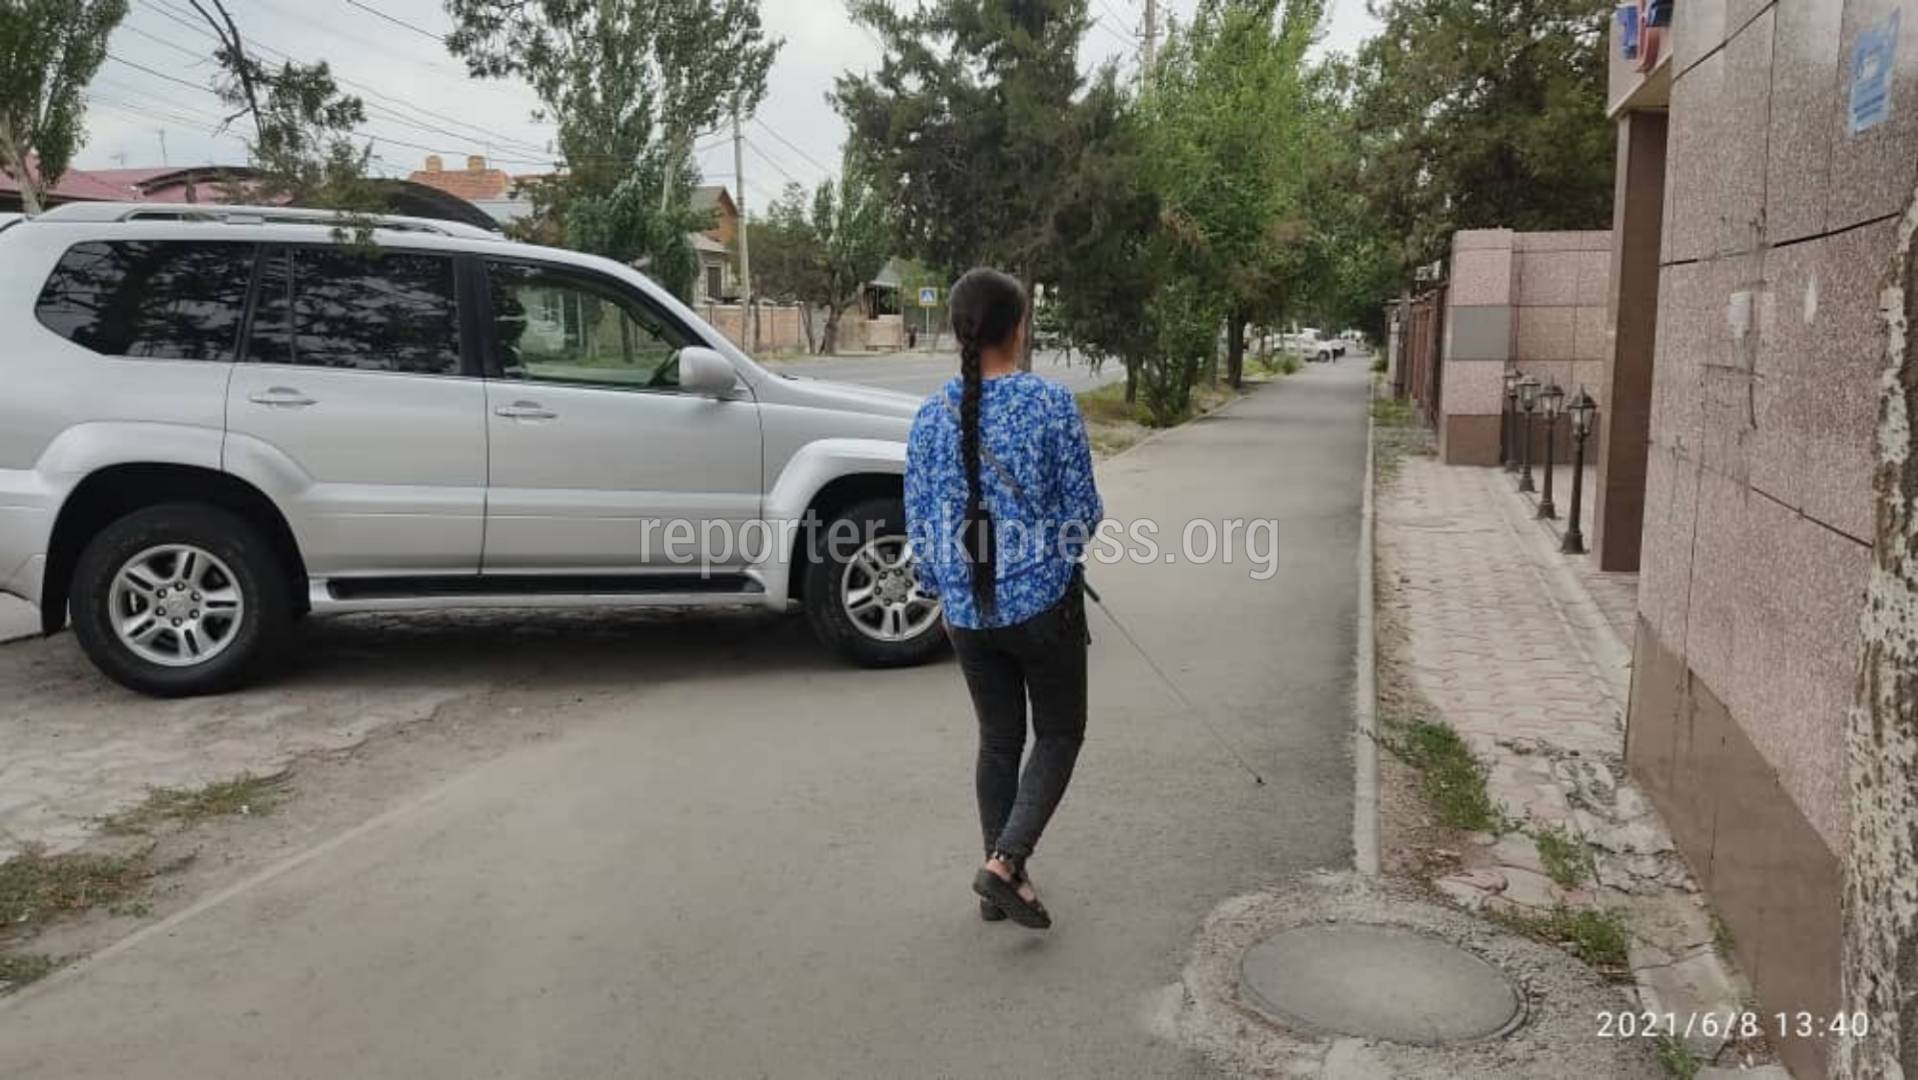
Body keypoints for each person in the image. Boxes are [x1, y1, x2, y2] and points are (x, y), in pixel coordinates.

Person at [904, 268, 1104, 930]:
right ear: (1017, 328)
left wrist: (943, 591)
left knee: (998, 740)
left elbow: (919, 523)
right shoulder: (1050, 404)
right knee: (1059, 732)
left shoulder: (930, 416)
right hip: (1042, 607)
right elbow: (1083, 512)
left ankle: (1001, 884)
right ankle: (1005, 864)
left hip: (966, 614)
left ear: (958, 327)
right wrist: (1053, 557)